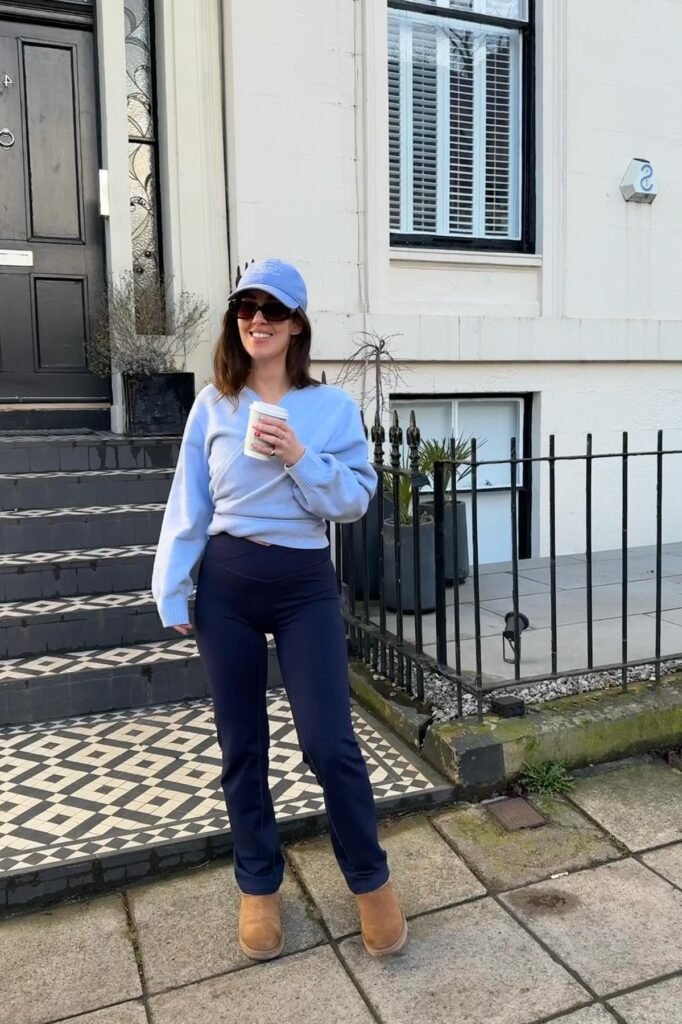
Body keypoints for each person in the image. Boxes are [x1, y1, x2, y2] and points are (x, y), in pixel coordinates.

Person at [151, 258, 407, 961]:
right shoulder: (214, 404)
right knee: (242, 745)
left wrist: (298, 455)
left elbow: (353, 501)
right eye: (245, 308)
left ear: (296, 324)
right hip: (229, 582)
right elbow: (189, 502)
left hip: (302, 583)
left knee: (329, 742)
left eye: (271, 309)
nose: (256, 320)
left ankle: (370, 881)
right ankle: (259, 885)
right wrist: (173, 583)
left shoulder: (329, 410)